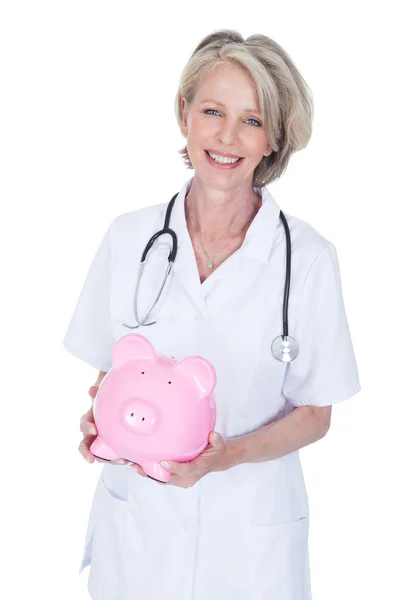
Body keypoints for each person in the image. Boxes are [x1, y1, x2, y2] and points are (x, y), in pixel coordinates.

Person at [63, 29, 361, 600]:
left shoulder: (310, 259)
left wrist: (229, 457)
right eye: (212, 111)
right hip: (140, 532)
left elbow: (316, 413)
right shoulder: (129, 237)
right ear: (184, 116)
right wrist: (98, 424)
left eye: (251, 120)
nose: (227, 137)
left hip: (251, 541)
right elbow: (109, 378)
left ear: (274, 138)